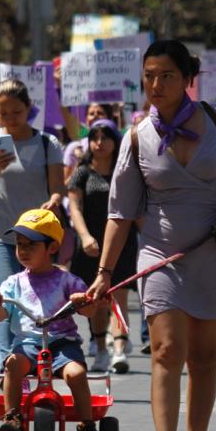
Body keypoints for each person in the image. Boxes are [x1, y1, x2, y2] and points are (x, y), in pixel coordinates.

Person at [87, 39, 216, 431]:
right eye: (149, 76)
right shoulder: (136, 136)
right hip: (160, 254)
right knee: (166, 350)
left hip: (212, 252)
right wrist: (104, 273)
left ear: (187, 79)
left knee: (204, 357)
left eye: (166, 75)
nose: (156, 84)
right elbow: (120, 212)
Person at [0, 209, 104, 431]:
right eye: (19, 245)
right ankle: (12, 418)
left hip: (62, 344)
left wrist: (84, 301)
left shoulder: (67, 280)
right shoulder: (14, 283)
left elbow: (89, 312)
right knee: (13, 364)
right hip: (27, 344)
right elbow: (0, 316)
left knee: (77, 374)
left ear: (52, 247)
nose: (23, 251)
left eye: (31, 245)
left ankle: (87, 427)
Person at [0, 79, 65, 369]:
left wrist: (54, 201)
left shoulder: (47, 144)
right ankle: (6, 368)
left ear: (28, 109)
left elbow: (57, 189)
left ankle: (37, 361)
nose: (10, 119)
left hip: (36, 236)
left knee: (36, 303)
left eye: (16, 112)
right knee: (4, 301)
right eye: (3, 113)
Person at [67, 118, 138, 373]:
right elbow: (74, 207)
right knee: (95, 299)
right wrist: (84, 236)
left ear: (115, 141)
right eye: (94, 137)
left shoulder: (125, 170)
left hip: (121, 242)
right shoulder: (82, 172)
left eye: (105, 137)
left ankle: (119, 348)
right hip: (91, 244)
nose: (99, 143)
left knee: (118, 295)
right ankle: (100, 348)